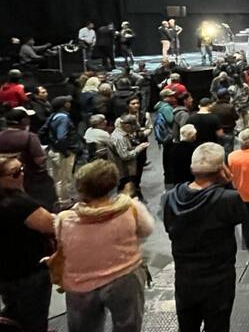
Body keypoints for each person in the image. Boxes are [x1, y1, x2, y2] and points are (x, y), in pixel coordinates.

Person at [58, 160, 154, 332]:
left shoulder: (64, 219)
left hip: (80, 283)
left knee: (83, 327)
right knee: (128, 325)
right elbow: (146, 230)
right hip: (124, 276)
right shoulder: (130, 208)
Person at [162, 142, 247, 332]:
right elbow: (242, 215)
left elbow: (169, 228)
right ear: (220, 169)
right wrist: (229, 182)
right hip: (219, 279)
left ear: (193, 168)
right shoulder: (228, 198)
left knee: (187, 326)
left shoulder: (170, 198)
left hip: (185, 278)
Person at [0, 154, 55, 332]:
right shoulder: (18, 203)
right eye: (15, 173)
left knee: (15, 312)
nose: (22, 174)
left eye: (21, 169)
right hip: (29, 271)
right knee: (35, 319)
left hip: (6, 272)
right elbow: (51, 225)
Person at [0, 107, 55, 210]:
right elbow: (39, 160)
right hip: (31, 180)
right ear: (24, 121)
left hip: (4, 180)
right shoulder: (30, 137)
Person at [44, 95, 79, 209]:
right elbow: (61, 137)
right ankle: (65, 202)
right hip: (62, 153)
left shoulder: (52, 116)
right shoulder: (63, 118)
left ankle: (59, 199)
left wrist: (51, 144)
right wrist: (65, 151)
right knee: (64, 179)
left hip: (53, 151)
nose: (69, 104)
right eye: (67, 102)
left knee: (56, 178)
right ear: (64, 105)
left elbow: (42, 132)